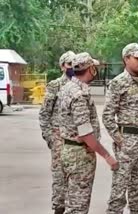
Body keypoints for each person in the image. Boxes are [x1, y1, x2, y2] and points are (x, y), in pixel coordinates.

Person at [102, 43, 138, 214]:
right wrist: (119, 139)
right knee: (120, 184)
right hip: (127, 140)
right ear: (126, 59)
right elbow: (107, 116)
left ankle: (136, 211)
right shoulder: (118, 83)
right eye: (137, 57)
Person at [59, 52, 118, 214]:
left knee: (72, 201)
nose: (96, 70)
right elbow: (85, 134)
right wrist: (107, 156)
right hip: (79, 156)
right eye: (94, 67)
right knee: (78, 206)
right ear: (90, 68)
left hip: (69, 152)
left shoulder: (67, 87)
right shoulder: (78, 94)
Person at [39, 50, 75, 214]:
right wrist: (50, 138)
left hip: (76, 140)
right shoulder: (55, 85)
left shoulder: (79, 85)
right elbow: (44, 113)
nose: (72, 67)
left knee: (75, 178)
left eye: (74, 64)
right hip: (58, 137)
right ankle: (58, 209)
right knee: (60, 177)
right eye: (69, 64)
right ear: (62, 66)